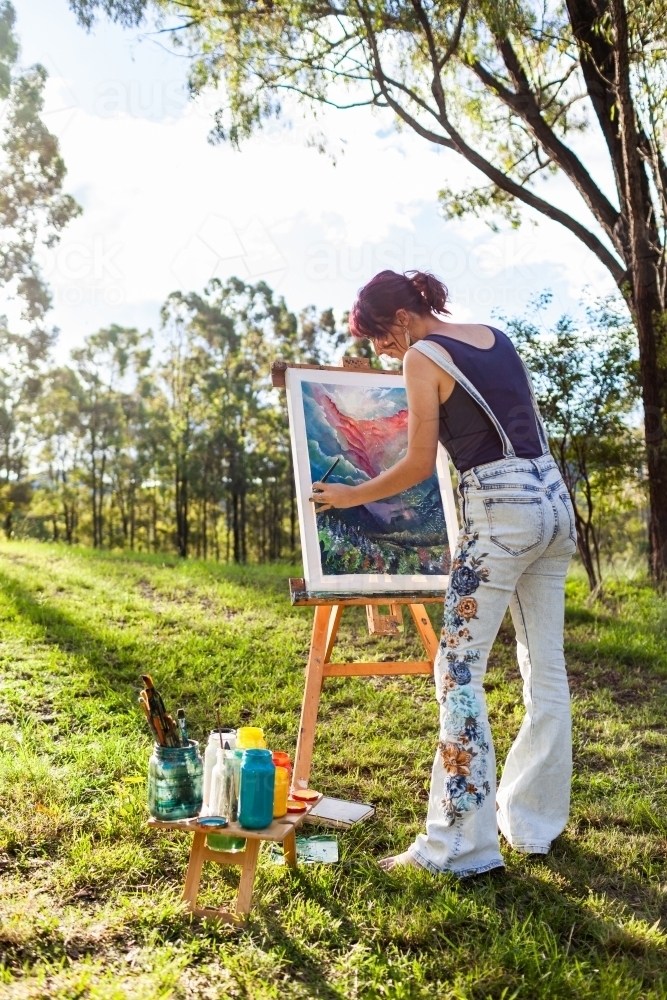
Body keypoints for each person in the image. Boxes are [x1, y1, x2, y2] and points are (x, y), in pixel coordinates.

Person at [310, 270, 576, 878]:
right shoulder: (495, 337)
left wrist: (348, 497)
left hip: (502, 512)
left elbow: (417, 466)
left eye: (381, 340)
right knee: (547, 671)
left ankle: (459, 846)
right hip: (554, 503)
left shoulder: (424, 355)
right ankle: (532, 827)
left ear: (401, 320)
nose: (384, 354)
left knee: (457, 671)